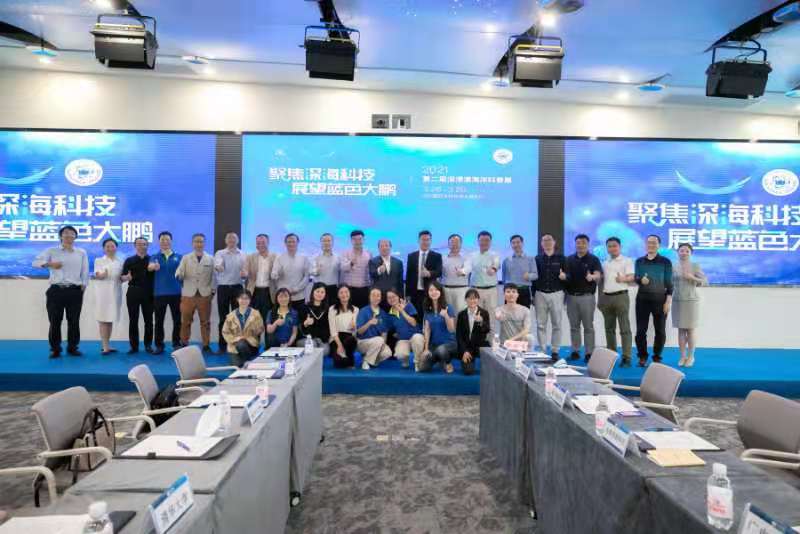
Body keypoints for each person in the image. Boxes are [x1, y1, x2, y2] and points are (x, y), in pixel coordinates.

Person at [33, 225, 89, 358]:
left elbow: (85, 271)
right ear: (61, 236)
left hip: (74, 290)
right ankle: (55, 349)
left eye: (72, 233)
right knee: (55, 320)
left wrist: (83, 287)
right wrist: (50, 264)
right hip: (56, 290)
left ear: (75, 237)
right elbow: (35, 262)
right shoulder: (52, 251)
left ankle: (72, 347)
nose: (69, 235)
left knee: (74, 320)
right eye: (66, 233)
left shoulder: (81, 252)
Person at [634, 234, 674, 367]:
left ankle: (657, 357)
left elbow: (669, 283)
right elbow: (636, 278)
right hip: (642, 300)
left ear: (658, 245)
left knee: (660, 331)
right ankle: (642, 356)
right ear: (645, 245)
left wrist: (668, 301)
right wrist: (641, 280)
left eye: (654, 243)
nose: (651, 245)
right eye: (649, 242)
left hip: (660, 300)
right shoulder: (639, 261)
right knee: (640, 331)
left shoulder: (665, 262)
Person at [563, 234, 602, 362]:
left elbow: (598, 274)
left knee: (588, 326)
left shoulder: (593, 259)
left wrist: (592, 277)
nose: (580, 245)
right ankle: (575, 351)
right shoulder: (568, 259)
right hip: (571, 297)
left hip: (587, 297)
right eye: (578, 242)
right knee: (574, 326)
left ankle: (589, 352)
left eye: (583, 242)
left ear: (588, 244)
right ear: (575, 244)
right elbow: (566, 276)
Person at [175, 233, 216, 352]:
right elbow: (179, 272)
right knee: (186, 322)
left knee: (205, 322)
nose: (199, 244)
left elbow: (214, 277)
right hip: (188, 295)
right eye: (196, 241)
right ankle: (184, 343)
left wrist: (212, 291)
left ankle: (206, 345)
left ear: (204, 243)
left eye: (201, 241)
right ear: (192, 243)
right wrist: (179, 275)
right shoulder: (186, 258)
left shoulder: (210, 258)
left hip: (205, 295)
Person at [599, 237, 635, 367]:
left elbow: (632, 277)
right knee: (609, 329)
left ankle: (627, 357)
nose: (612, 248)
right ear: (607, 248)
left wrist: (623, 279)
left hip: (621, 297)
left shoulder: (627, 260)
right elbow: (601, 281)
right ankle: (612, 356)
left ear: (619, 247)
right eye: (609, 246)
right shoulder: (605, 263)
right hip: (606, 297)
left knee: (625, 328)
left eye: (614, 246)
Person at [672, 243, 707, 368]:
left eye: (687, 251)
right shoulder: (673, 266)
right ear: (678, 252)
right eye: (682, 250)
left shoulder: (695, 265)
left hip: (691, 300)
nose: (684, 253)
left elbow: (705, 282)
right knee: (681, 330)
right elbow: (669, 282)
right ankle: (682, 356)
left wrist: (692, 278)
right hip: (677, 300)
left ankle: (691, 356)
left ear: (691, 253)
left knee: (691, 329)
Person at [148, 231, 183, 355]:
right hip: (159, 294)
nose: (165, 242)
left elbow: (183, 273)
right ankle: (159, 345)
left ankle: (176, 343)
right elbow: (150, 267)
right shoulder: (154, 257)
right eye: (162, 240)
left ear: (171, 241)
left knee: (177, 320)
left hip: (176, 293)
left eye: (167, 239)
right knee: (159, 321)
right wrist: (153, 267)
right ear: (159, 242)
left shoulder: (179, 257)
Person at [534, 233, 567, 361]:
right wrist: (533, 294)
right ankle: (542, 350)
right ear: (541, 244)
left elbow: (568, 275)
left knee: (557, 324)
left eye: (549, 240)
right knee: (540, 324)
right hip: (540, 294)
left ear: (554, 242)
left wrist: (565, 276)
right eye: (544, 240)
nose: (547, 242)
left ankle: (555, 350)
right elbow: (534, 278)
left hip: (557, 294)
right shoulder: (537, 259)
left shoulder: (562, 258)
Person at [214, 232, 247, 354]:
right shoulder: (220, 253)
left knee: (237, 318)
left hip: (238, 288)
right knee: (223, 318)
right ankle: (222, 346)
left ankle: (236, 345)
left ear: (237, 241)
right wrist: (219, 267)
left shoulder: (243, 254)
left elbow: (245, 271)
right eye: (229, 238)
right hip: (223, 288)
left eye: (234, 238)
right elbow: (218, 264)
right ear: (226, 241)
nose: (231, 240)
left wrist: (245, 274)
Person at [122, 237, 155, 354]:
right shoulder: (129, 260)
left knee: (149, 320)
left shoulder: (153, 260)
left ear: (147, 246)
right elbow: (122, 277)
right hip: (133, 292)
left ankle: (148, 345)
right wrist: (126, 277)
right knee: (133, 320)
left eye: (144, 244)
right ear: (135, 246)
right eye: (139, 244)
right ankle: (134, 346)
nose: (142, 246)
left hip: (149, 292)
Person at [93, 238, 123, 355]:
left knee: (110, 319)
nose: (110, 248)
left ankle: (107, 345)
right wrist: (102, 275)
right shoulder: (99, 260)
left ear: (116, 248)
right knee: (103, 319)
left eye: (112, 246)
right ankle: (105, 347)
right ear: (104, 248)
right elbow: (98, 275)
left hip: (115, 293)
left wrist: (126, 278)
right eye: (107, 246)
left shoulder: (120, 261)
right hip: (103, 293)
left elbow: (121, 278)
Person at [419, 281, 457, 373]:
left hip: (449, 343)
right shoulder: (427, 309)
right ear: (428, 293)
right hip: (434, 345)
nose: (434, 292)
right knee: (423, 367)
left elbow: (451, 329)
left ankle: (447, 363)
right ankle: (440, 359)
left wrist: (446, 316)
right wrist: (426, 349)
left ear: (440, 291)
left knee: (441, 350)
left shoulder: (448, 307)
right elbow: (427, 330)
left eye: (436, 290)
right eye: (431, 290)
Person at [221, 289, 264, 367]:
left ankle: (248, 360)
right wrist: (235, 339)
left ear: (250, 300)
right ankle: (247, 361)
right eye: (241, 298)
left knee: (241, 344)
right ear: (237, 299)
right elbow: (225, 332)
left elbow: (261, 329)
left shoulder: (256, 314)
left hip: (251, 344)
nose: (244, 301)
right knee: (236, 365)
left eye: (246, 298)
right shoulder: (230, 316)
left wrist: (254, 330)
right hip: (234, 345)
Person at [405, 230, 443, 321]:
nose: (425, 242)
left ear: (431, 241)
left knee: (429, 316)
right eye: (423, 240)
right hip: (415, 292)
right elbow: (408, 276)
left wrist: (429, 273)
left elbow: (439, 272)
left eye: (427, 240)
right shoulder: (411, 256)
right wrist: (407, 294)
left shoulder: (437, 256)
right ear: (419, 241)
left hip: (430, 292)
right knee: (416, 315)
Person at [385, 288, 424, 369]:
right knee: (400, 355)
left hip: (415, 337)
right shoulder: (390, 314)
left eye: (393, 296)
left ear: (398, 296)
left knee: (417, 338)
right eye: (389, 297)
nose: (392, 299)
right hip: (403, 340)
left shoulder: (408, 305)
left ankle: (417, 361)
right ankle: (405, 361)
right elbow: (391, 330)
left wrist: (402, 311)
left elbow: (413, 323)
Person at [469, 231, 501, 327]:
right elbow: (466, 268)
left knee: (491, 316)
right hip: (475, 290)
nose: (484, 242)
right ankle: (477, 336)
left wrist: (493, 269)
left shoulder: (495, 255)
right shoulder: (472, 255)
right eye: (482, 240)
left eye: (487, 240)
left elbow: (496, 264)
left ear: (490, 242)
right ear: (478, 241)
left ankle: (490, 337)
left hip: (491, 290)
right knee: (475, 315)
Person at [455, 289, 491, 375]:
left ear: (478, 299)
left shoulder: (484, 313)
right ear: (466, 300)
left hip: (479, 345)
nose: (472, 301)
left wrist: (481, 322)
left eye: (475, 298)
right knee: (468, 371)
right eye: (470, 298)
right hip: (467, 347)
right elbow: (459, 335)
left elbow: (487, 330)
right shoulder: (461, 314)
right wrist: (464, 351)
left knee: (490, 367)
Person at [272, 233, 311, 312]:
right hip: (283, 297)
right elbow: (274, 274)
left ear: (297, 242)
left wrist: (297, 289)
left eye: (293, 241)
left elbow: (307, 277)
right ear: (285, 243)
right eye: (289, 242)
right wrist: (276, 274)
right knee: (283, 318)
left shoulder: (304, 258)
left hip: (299, 296)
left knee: (300, 318)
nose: (291, 244)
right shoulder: (279, 258)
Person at [355, 287, 393, 370]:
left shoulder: (383, 313)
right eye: (373, 295)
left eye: (378, 295)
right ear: (369, 297)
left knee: (387, 352)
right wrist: (369, 323)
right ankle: (366, 361)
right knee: (379, 340)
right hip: (362, 342)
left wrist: (382, 345)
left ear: (381, 298)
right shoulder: (363, 311)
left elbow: (384, 333)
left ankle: (367, 359)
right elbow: (359, 332)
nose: (376, 297)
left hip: (377, 343)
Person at [245, 233, 276, 328]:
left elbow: (277, 273)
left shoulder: (275, 257)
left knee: (268, 320)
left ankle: (268, 338)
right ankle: (255, 338)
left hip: (269, 293)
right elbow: (245, 271)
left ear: (268, 243)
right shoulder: (250, 257)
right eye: (258, 243)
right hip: (254, 292)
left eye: (263, 242)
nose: (260, 245)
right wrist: (244, 273)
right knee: (254, 322)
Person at [502, 235, 538, 309]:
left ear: (522, 243)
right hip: (510, 292)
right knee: (509, 314)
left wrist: (529, 276)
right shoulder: (506, 260)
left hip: (524, 291)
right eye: (513, 243)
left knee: (524, 314)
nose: (516, 245)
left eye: (518, 242)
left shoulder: (530, 259)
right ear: (511, 245)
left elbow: (536, 275)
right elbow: (504, 278)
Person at [297, 282, 331, 356]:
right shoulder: (304, 307)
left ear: (325, 294)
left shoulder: (328, 310)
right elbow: (299, 328)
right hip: (306, 339)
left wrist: (322, 339)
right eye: (317, 291)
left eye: (322, 292)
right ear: (313, 292)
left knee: (325, 351)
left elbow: (328, 329)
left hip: (322, 340)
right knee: (312, 346)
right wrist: (305, 324)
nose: (319, 294)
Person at [328, 285, 358, 368]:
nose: (344, 294)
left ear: (349, 293)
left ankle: (349, 355)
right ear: (338, 295)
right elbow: (333, 330)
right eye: (341, 292)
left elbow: (355, 331)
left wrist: (354, 327)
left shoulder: (355, 309)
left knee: (351, 340)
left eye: (346, 292)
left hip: (349, 338)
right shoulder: (332, 309)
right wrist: (339, 345)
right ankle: (345, 358)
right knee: (340, 363)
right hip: (336, 338)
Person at [340, 230, 371, 309]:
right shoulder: (345, 253)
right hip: (349, 289)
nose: (357, 241)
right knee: (349, 312)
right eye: (354, 239)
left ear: (363, 240)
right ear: (351, 241)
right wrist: (351, 263)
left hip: (364, 289)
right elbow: (342, 268)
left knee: (363, 312)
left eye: (360, 239)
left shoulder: (368, 254)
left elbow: (371, 271)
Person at [368, 238, 404, 307]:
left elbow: (400, 283)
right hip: (379, 298)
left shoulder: (398, 262)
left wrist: (401, 298)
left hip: (394, 298)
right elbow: (372, 275)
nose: (384, 248)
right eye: (381, 246)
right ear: (378, 248)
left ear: (390, 247)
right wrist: (379, 270)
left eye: (386, 245)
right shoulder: (373, 261)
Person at [442, 233, 471, 314]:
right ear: (448, 244)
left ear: (461, 244)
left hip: (461, 290)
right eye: (452, 242)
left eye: (457, 242)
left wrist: (462, 272)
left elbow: (468, 268)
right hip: (446, 290)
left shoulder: (467, 257)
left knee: (461, 313)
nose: (454, 245)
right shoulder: (442, 258)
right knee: (447, 313)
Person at [311, 233, 339, 305]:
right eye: (324, 241)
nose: (326, 243)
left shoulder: (338, 258)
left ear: (332, 242)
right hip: (319, 289)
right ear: (321, 243)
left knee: (333, 310)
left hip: (333, 289)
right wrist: (317, 270)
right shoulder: (315, 257)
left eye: (329, 241)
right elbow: (312, 272)